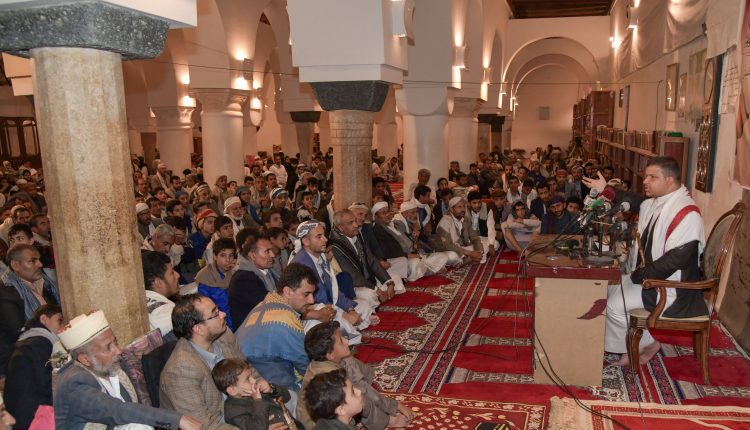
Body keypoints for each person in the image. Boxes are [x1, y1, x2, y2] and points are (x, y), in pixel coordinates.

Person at [583, 157, 709, 366]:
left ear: (669, 180)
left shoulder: (686, 213)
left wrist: (639, 275)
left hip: (671, 288)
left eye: (652, 177)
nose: (645, 181)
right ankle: (638, 341)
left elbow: (675, 260)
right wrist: (605, 189)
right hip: (650, 276)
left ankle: (642, 346)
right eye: (645, 176)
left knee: (614, 305)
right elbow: (636, 201)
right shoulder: (660, 202)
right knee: (607, 289)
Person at [55, 310, 201, 430]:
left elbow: (135, 410)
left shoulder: (116, 367)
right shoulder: (74, 382)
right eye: (108, 347)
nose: (118, 350)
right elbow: (118, 410)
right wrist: (177, 419)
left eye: (115, 342)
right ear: (85, 360)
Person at [160, 294, 269, 430]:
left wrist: (262, 386)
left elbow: (247, 369)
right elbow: (203, 425)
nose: (223, 314)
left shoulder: (223, 335)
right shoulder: (180, 370)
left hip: (245, 410)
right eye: (215, 314)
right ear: (198, 329)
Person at [297, 322, 413, 430]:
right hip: (318, 425)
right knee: (361, 398)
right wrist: (395, 407)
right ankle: (385, 422)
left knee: (349, 361)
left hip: (335, 413)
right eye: (341, 341)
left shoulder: (324, 360)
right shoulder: (331, 378)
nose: (346, 340)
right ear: (330, 355)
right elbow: (364, 395)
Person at [235, 263, 317, 398]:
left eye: (312, 294)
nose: (312, 300)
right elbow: (305, 366)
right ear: (287, 292)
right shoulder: (284, 320)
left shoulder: (265, 304)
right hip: (271, 388)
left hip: (249, 376)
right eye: (306, 294)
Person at [290, 221, 370, 345]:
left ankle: (351, 328)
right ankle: (349, 332)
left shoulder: (321, 257)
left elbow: (334, 291)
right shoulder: (300, 264)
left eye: (324, 235)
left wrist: (350, 309)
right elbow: (308, 304)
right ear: (305, 241)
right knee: (333, 323)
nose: (325, 239)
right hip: (316, 312)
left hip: (331, 306)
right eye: (319, 236)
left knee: (364, 305)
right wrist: (341, 314)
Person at [0, 244, 60, 379]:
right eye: (32, 261)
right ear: (15, 265)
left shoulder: (45, 283)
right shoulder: (5, 291)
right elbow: (18, 331)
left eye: (39, 259)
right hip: (20, 363)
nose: (40, 264)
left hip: (48, 350)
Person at [3, 304, 63, 429]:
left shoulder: (29, 341)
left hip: (24, 412)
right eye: (60, 320)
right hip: (33, 416)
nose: (63, 326)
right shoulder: (38, 343)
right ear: (44, 319)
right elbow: (47, 384)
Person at [211, 357, 299, 430]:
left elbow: (287, 397)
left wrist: (271, 389)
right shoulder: (234, 411)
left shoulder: (256, 390)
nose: (254, 381)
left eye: (251, 376)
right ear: (232, 390)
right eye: (247, 379)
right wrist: (258, 401)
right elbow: (257, 428)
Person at [328, 209, 394, 304]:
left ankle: (380, 295)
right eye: (351, 223)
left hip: (367, 279)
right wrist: (377, 290)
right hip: (354, 285)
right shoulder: (335, 246)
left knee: (394, 279)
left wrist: (389, 282)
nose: (356, 225)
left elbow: (372, 260)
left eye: (355, 221)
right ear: (340, 227)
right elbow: (353, 275)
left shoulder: (356, 235)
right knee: (370, 295)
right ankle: (376, 297)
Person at [228, 234, 275, 327]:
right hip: (254, 330)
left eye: (272, 250)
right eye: (267, 251)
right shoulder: (243, 279)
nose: (272, 255)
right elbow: (271, 306)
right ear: (252, 255)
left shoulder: (266, 271)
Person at [196, 238, 237, 330]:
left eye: (231, 255)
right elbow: (207, 310)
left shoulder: (235, 271)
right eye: (223, 255)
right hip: (220, 323)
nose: (228, 260)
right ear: (215, 256)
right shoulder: (205, 276)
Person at [142, 250, 180, 341]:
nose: (177, 275)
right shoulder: (170, 314)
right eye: (172, 272)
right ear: (158, 282)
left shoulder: (139, 301)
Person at [435, 197, 483, 265]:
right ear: (451, 209)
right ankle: (465, 260)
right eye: (459, 207)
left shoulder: (465, 220)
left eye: (464, 206)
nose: (463, 209)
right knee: (452, 256)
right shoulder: (445, 221)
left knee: (484, 246)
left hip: (461, 247)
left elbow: (474, 237)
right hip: (446, 250)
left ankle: (468, 259)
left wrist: (479, 251)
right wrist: (469, 253)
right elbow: (447, 245)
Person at [466, 191, 499, 261]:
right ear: (469, 203)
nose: (477, 205)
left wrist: (491, 245)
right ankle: (479, 253)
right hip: (469, 239)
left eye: (479, 202)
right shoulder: (465, 211)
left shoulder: (487, 209)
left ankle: (475, 254)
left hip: (483, 238)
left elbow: (491, 227)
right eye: (474, 203)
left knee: (495, 244)